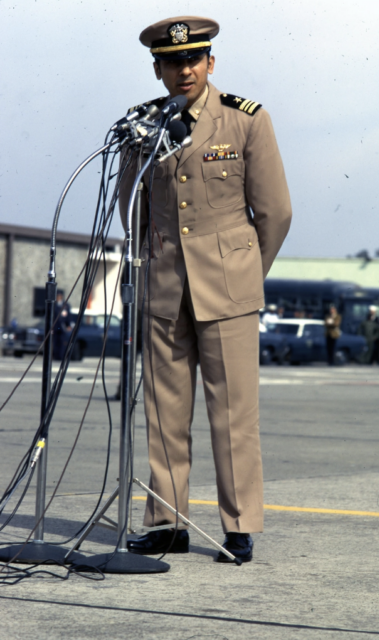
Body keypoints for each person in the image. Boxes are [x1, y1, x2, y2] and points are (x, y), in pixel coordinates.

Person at [118, 16, 292, 563]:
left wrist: (242, 274)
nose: (184, 69)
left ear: (210, 63)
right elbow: (130, 207)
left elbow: (276, 212)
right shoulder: (145, 124)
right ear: (158, 69)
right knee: (164, 411)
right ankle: (167, 523)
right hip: (164, 286)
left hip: (228, 290)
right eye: (173, 62)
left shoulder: (245, 120)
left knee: (233, 411)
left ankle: (239, 525)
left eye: (193, 59)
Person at [53, 292, 71, 361]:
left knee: (62, 342)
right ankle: (56, 356)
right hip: (56, 327)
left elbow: (68, 316)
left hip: (62, 327)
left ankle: (61, 356)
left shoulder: (66, 305)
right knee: (55, 342)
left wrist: (68, 325)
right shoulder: (54, 305)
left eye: (59, 296)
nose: (58, 298)